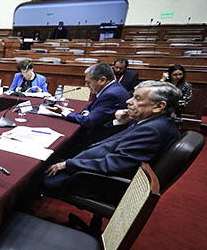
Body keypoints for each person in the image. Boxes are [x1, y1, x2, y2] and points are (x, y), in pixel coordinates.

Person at [44, 81, 181, 203]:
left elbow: (113, 165)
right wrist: (121, 122)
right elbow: (116, 144)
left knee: (36, 174)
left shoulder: (152, 131)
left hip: (97, 181)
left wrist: (68, 164)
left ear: (159, 106)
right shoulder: (156, 122)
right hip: (93, 168)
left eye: (137, 98)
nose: (128, 101)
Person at [49, 63, 130, 147]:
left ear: (102, 80)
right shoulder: (111, 88)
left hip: (100, 139)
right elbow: (91, 104)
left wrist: (66, 113)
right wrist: (86, 112)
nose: (86, 86)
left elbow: (89, 121)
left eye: (88, 82)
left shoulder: (110, 94)